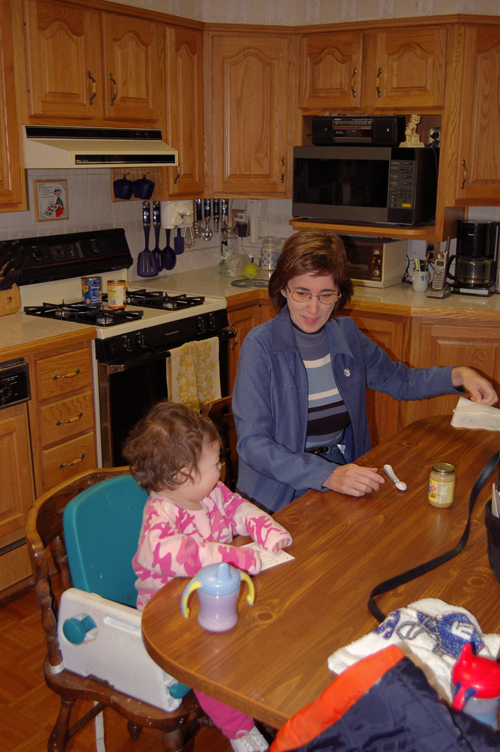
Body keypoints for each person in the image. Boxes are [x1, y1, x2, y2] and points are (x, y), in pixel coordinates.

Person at [232, 230, 498, 514]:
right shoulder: (260, 347)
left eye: (326, 295)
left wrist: (459, 374)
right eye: (302, 293)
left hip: (341, 471)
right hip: (276, 493)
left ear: (339, 294)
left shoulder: (346, 336)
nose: (313, 308)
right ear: (283, 288)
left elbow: (401, 381)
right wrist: (326, 475)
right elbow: (253, 444)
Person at [122, 400, 292, 752]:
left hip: (210, 595)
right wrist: (236, 556)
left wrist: (267, 531)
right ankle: (239, 731)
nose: (221, 470)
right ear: (182, 474)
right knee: (210, 661)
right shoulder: (160, 514)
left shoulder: (211, 494)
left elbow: (239, 509)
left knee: (266, 624)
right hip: (169, 616)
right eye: (214, 464)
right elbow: (182, 554)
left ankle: (260, 697)